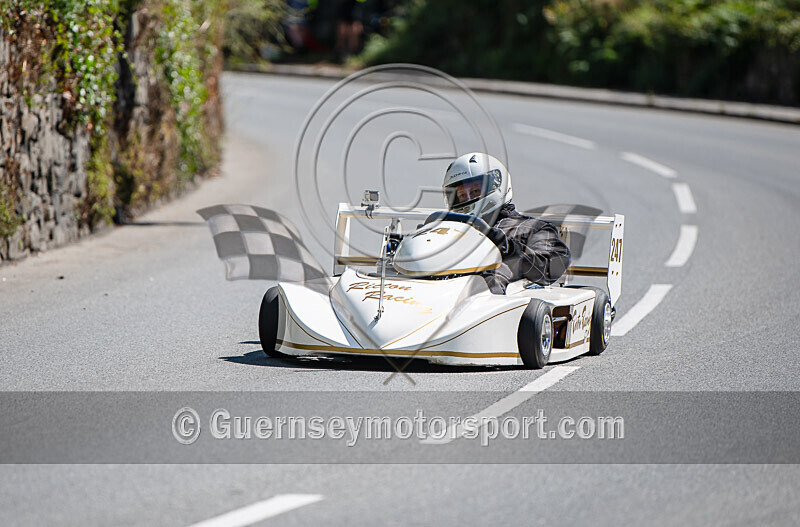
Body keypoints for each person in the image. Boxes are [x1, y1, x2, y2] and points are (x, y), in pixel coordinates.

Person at [442, 152, 571, 294]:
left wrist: (507, 248)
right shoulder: (452, 229)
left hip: (490, 299)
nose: (468, 198)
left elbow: (550, 269)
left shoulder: (533, 228)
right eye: (461, 196)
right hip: (443, 293)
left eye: (475, 191)